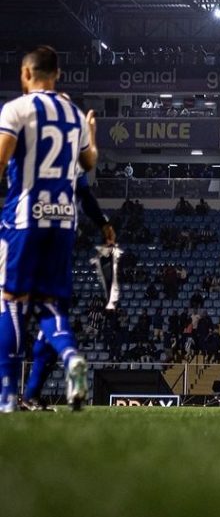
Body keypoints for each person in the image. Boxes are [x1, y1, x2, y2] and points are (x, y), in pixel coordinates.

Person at [0, 46, 99, 413]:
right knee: (49, 304)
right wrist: (91, 134)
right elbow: (88, 162)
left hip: (24, 219)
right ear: (56, 74)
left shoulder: (17, 109)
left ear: (26, 74)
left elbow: (1, 159)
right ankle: (71, 356)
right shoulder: (73, 114)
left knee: (11, 302)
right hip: (63, 220)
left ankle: (8, 396)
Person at [20, 172, 116, 411]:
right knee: (51, 321)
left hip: (22, 234)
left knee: (12, 314)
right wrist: (103, 223)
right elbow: (84, 195)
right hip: (60, 238)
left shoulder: (24, 140)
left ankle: (14, 394)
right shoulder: (72, 147)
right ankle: (65, 363)